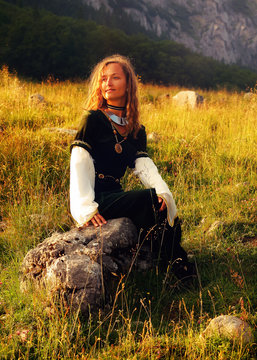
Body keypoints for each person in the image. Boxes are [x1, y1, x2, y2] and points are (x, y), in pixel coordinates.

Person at [70, 54, 195, 280]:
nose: (107, 83)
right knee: (147, 200)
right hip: (98, 197)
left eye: (115, 78)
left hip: (115, 193)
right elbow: (79, 160)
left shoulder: (136, 129)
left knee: (159, 203)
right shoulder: (93, 119)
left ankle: (174, 265)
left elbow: (145, 167)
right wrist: (86, 207)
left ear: (128, 84)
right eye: (103, 79)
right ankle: (180, 270)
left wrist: (163, 193)